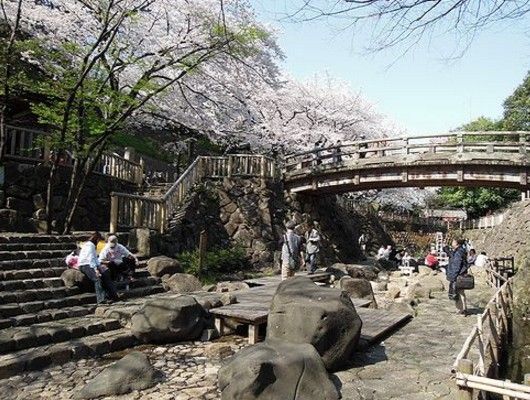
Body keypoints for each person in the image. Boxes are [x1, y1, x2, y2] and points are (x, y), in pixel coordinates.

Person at [78, 232, 119, 304]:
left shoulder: (92, 246)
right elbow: (90, 259)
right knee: (97, 278)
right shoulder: (89, 246)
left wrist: (99, 266)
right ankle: (101, 299)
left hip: (91, 263)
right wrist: (96, 269)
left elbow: (95, 258)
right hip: (85, 265)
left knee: (106, 273)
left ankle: (113, 295)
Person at [444, 239, 469, 315]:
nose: (451, 243)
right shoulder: (460, 251)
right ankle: (464, 308)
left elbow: (456, 266)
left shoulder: (458, 252)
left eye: (453, 242)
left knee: (457, 293)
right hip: (462, 275)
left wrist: (453, 277)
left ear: (457, 244)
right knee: (461, 292)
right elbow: (451, 254)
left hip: (458, 275)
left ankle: (460, 310)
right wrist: (446, 249)